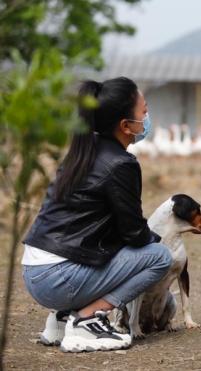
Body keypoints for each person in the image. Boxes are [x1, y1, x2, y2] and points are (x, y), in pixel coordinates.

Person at [21, 77, 172, 353]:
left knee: (122, 253)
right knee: (159, 256)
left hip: (34, 272)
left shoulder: (81, 152)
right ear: (126, 126)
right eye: (144, 112)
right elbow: (135, 235)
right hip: (58, 279)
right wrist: (157, 236)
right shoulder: (121, 164)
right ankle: (87, 319)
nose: (148, 117)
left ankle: (61, 318)